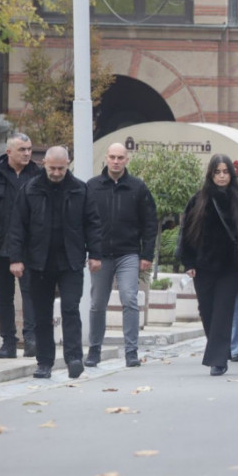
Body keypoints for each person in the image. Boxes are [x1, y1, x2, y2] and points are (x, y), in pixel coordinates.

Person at [8, 146, 102, 379]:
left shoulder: (80, 189)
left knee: (71, 309)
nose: (57, 172)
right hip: (38, 261)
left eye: (61, 168)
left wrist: (95, 254)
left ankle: (74, 358)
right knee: (41, 314)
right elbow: (18, 226)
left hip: (71, 260)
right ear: (44, 164)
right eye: (53, 168)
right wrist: (16, 259)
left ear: (68, 164)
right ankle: (44, 362)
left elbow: (92, 223)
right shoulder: (30, 189)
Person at [178, 154, 238, 377]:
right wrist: (188, 262)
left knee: (223, 311)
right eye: (217, 172)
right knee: (207, 311)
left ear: (231, 174)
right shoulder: (199, 200)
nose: (221, 176)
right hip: (203, 265)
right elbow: (187, 233)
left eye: (225, 172)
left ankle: (218, 359)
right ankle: (220, 350)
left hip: (230, 266)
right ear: (211, 174)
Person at [85, 143, 158, 369]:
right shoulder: (92, 187)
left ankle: (131, 351)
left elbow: (150, 222)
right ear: (106, 158)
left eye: (120, 157)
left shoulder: (138, 187)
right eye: (112, 157)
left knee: (129, 299)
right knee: (97, 303)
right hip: (100, 255)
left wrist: (146, 255)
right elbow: (84, 222)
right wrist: (90, 252)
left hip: (128, 253)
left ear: (127, 159)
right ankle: (94, 350)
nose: (116, 161)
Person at [0, 133, 41, 358]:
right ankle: (8, 343)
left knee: (31, 293)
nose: (27, 153)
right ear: (9, 152)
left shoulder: (38, 176)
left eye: (29, 149)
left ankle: (31, 340)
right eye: (22, 150)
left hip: (29, 247)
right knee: (4, 296)